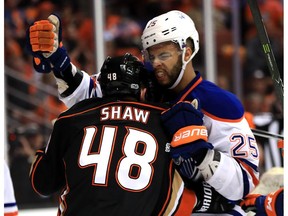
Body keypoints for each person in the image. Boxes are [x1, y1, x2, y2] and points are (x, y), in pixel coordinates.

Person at [27, 11, 259, 215]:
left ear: (187, 51)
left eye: (164, 55)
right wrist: (59, 62)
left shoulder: (218, 103)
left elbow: (245, 183)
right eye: (150, 55)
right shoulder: (143, 78)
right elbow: (93, 96)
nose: (155, 63)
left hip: (200, 207)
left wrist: (203, 156)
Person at [30, 53, 203, 215]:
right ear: (143, 89)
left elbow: (41, 184)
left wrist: (48, 148)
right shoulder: (167, 118)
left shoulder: (71, 118)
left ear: (102, 87)